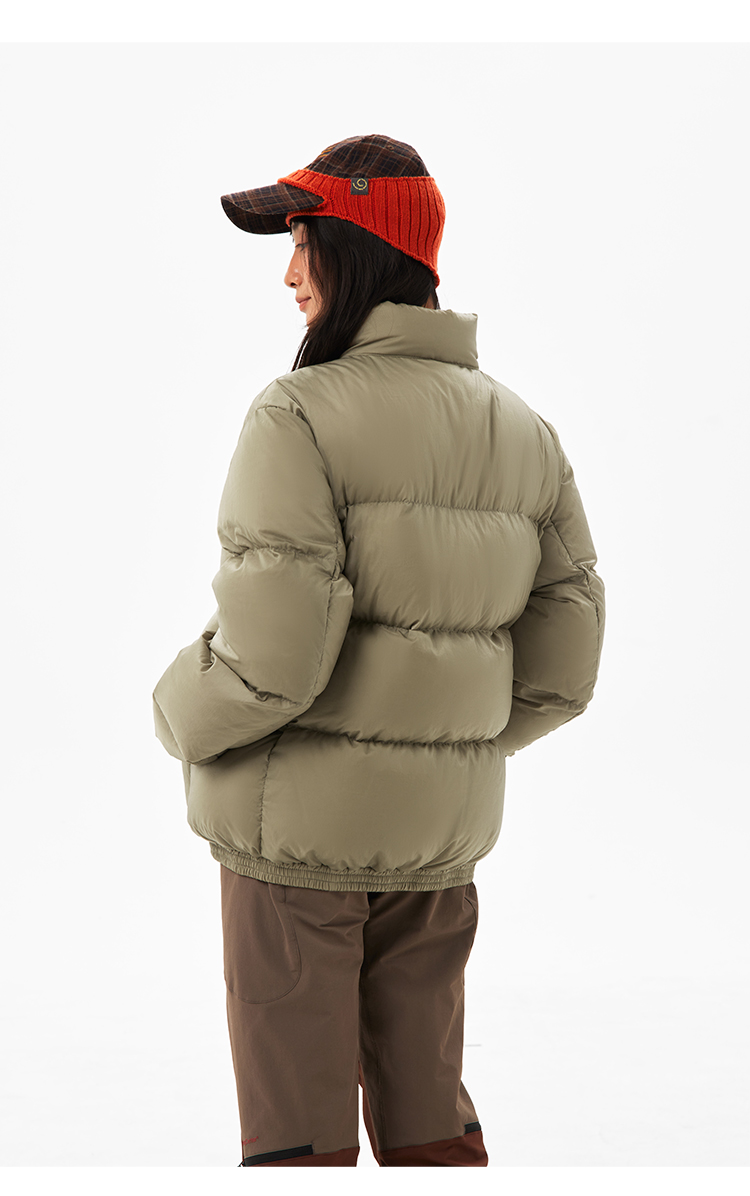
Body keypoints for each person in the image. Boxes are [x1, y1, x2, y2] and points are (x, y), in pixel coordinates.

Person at [152, 133, 605, 1167]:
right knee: (429, 1119)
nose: (289, 272)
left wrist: (175, 710)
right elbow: (566, 663)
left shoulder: (298, 413)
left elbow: (271, 660)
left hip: (294, 845)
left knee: (298, 1140)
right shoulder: (523, 430)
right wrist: (444, 742)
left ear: (356, 247)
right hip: (439, 839)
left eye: (302, 240)